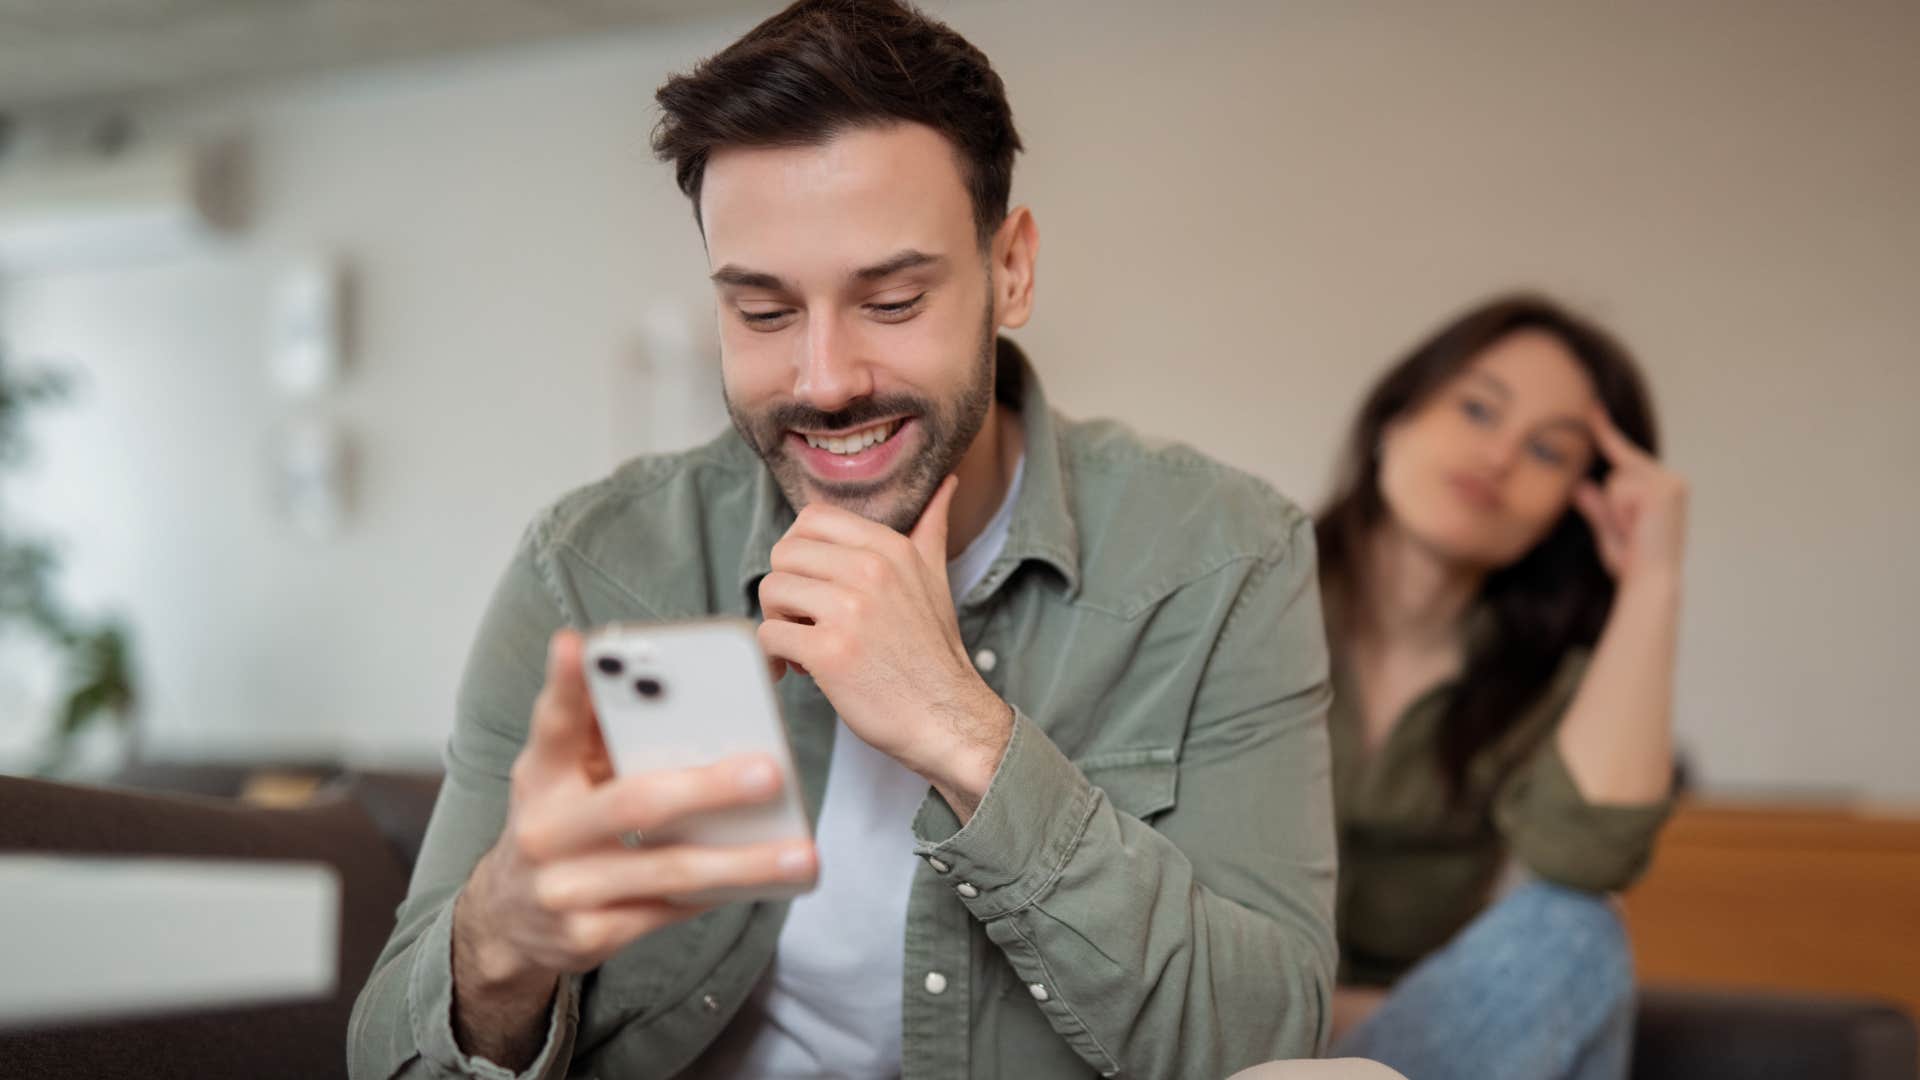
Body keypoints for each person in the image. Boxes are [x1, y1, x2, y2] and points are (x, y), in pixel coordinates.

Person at [348, 2, 1342, 1076]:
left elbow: (1270, 1043)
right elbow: (383, 1060)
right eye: (764, 315)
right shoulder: (601, 567)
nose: (823, 381)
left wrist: (964, 732)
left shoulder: (1224, 559)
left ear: (1011, 269)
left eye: (893, 299)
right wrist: (502, 943)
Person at [1314, 294, 1688, 1080]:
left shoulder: (1544, 685)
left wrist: (1653, 577)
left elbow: (1585, 858)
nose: (1499, 458)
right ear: (1396, 417)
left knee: (1576, 928)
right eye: (1479, 410)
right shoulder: (1234, 593)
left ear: (1571, 509)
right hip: (1212, 1039)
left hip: (1423, 1054)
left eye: (1550, 453)